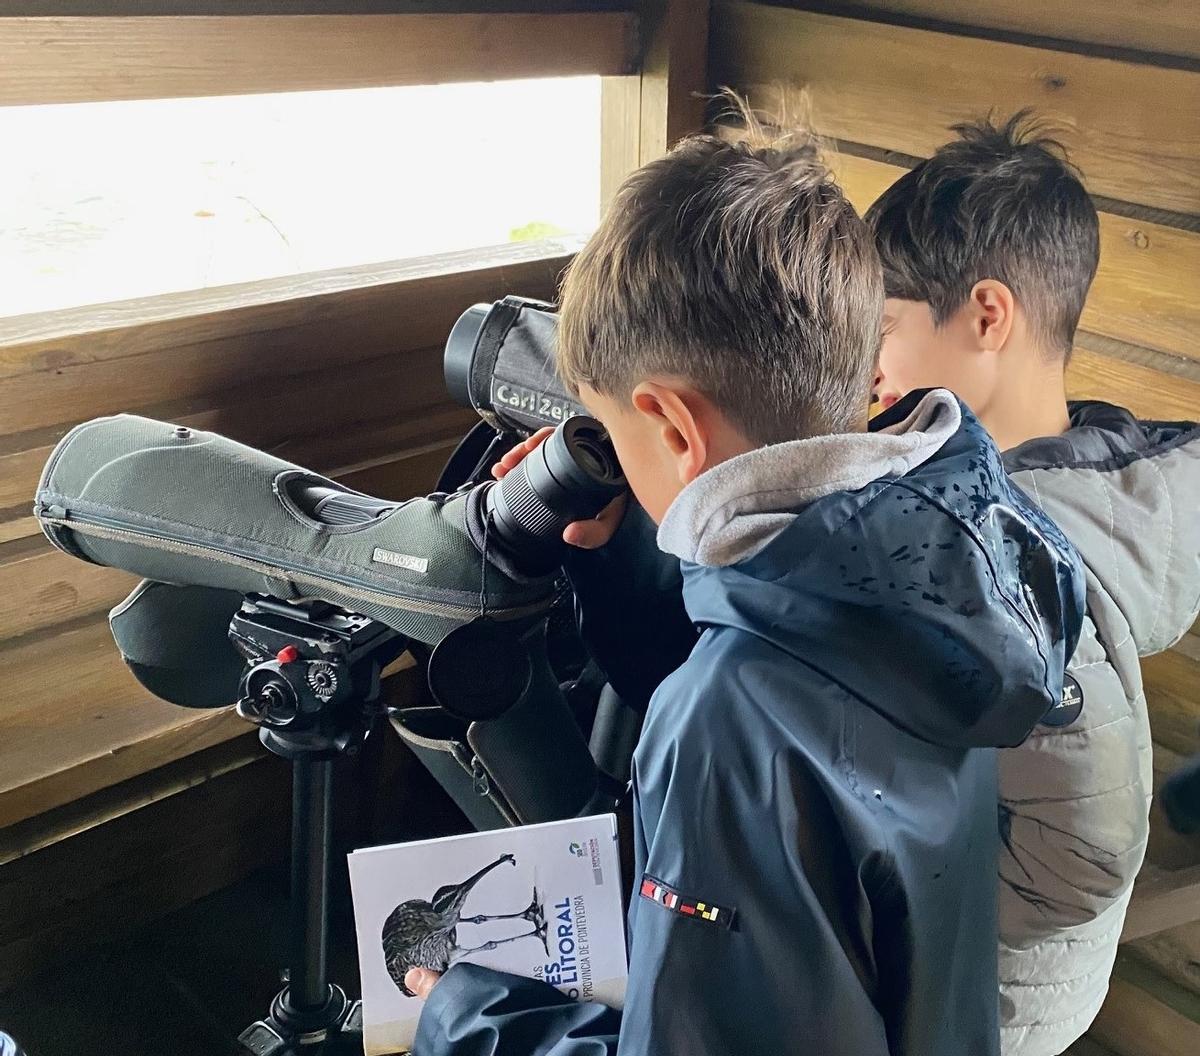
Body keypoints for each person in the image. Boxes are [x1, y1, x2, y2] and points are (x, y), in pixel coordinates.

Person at [405, 115, 1084, 1056]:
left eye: (617, 435)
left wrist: (464, 1019)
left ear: (672, 428)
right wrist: (628, 555)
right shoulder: (942, 580)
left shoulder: (725, 726)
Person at [865, 111, 1200, 1056]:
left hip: (974, 997)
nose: (867, 362)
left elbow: (1082, 860)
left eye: (882, 327)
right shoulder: (1098, 473)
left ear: (986, 316)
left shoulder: (1016, 557)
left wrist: (893, 906)